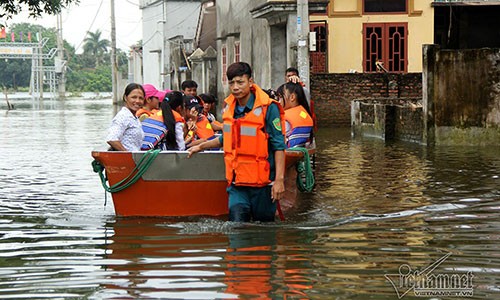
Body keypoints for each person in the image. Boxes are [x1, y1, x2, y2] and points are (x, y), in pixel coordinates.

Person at [188, 62, 286, 222]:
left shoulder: (268, 108)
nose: (235, 87)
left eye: (240, 82)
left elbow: (279, 146)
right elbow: (225, 138)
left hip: (263, 183)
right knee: (237, 226)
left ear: (250, 82)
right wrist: (200, 146)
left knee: (264, 231)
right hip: (237, 183)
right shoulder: (230, 109)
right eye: (231, 82)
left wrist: (279, 181)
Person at [106, 83, 145, 151]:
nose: (137, 101)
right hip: (127, 160)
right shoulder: (123, 116)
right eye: (134, 97)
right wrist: (127, 154)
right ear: (125, 98)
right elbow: (112, 139)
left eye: (141, 98)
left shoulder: (134, 117)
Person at [276, 82, 314, 148]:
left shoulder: (286, 120)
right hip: (299, 151)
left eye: (280, 97)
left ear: (292, 97)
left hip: (287, 153)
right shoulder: (304, 114)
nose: (278, 102)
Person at [283, 67, 317, 132]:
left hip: (301, 124)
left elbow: (307, 108)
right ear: (285, 78)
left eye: (293, 75)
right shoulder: (283, 91)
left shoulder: (303, 90)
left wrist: (296, 84)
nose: (290, 78)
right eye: (288, 76)